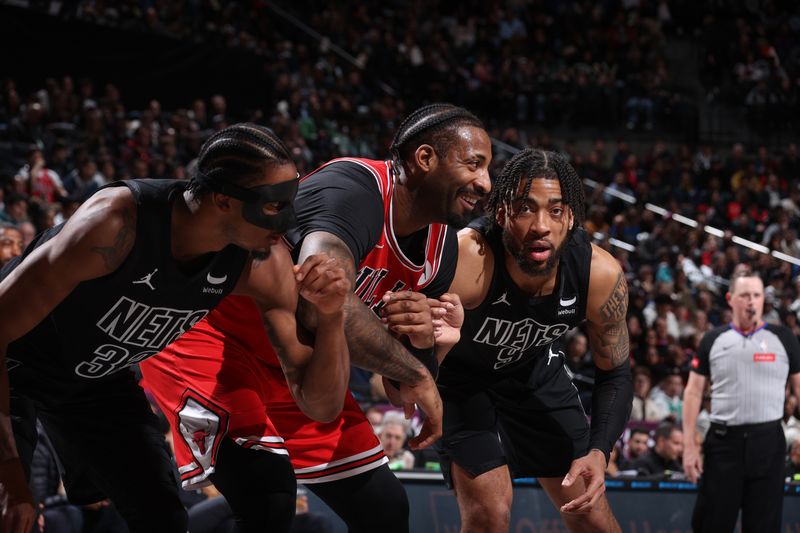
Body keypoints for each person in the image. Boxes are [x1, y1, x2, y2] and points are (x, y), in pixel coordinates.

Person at [140, 103, 492, 531]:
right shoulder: (353, 189)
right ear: (424, 159)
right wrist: (416, 372)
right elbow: (319, 299)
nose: (485, 182)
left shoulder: (442, 249)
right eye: (474, 164)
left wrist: (424, 345)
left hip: (302, 357)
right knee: (268, 497)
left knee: (383, 507)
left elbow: (397, 387)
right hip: (216, 337)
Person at [0, 123, 352, 533]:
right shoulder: (116, 223)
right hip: (15, 364)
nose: (288, 222)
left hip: (97, 379)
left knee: (163, 518)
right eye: (275, 206)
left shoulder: (258, 263)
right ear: (223, 200)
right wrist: (10, 477)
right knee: (11, 512)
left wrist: (330, 318)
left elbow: (322, 405)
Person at [434, 148, 631, 532]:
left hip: (533, 372)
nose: (541, 225)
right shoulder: (467, 258)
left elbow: (616, 373)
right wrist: (434, 353)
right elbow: (409, 357)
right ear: (502, 212)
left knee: (590, 512)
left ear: (571, 217)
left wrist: (599, 451)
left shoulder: (599, 273)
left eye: (556, 210)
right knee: (489, 512)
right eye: (526, 208)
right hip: (461, 381)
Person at [683, 270, 800, 533]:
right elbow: (692, 393)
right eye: (745, 295)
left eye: (757, 296)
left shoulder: (784, 339)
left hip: (769, 443)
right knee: (711, 524)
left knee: (764, 526)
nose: (752, 301)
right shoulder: (713, 339)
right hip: (724, 444)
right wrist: (689, 446)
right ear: (730, 299)